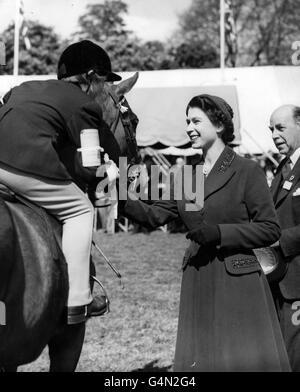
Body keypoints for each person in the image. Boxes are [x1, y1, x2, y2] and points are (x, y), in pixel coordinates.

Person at [120, 94, 291, 371]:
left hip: (237, 283)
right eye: (187, 121)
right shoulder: (189, 175)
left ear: (219, 125)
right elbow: (153, 215)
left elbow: (269, 229)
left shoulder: (246, 171)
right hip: (199, 279)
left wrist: (221, 234)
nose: (188, 127)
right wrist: (118, 194)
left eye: (196, 120)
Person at [0, 40, 122, 325]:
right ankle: (78, 301)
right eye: (104, 81)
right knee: (81, 211)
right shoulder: (86, 106)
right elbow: (91, 166)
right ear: (91, 77)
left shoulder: (25, 87)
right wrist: (109, 173)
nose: (104, 88)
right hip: (22, 168)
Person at [269, 104, 300, 371]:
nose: (275, 135)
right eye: (271, 130)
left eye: (280, 128)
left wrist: (279, 240)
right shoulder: (282, 168)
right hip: (279, 279)